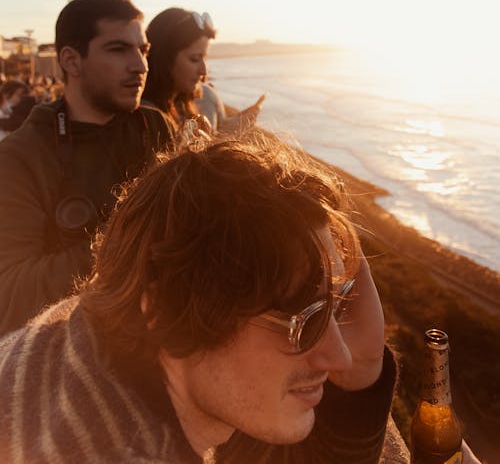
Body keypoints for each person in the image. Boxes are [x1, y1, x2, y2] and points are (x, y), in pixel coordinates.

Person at [0, 130, 404, 463]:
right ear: (164, 307)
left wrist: (362, 378)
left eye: (336, 304)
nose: (339, 356)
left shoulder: (89, 340)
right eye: (304, 321)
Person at [0, 0, 173, 336]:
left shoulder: (153, 127)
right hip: (73, 352)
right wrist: (132, 239)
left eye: (143, 50)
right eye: (118, 49)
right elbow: (12, 294)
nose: (140, 66)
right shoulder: (21, 156)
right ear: (71, 61)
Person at [143, 7, 262, 137]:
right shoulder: (147, 121)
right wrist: (225, 136)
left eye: (204, 58)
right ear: (164, 59)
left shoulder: (182, 105)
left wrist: (228, 128)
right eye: (194, 59)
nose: (203, 70)